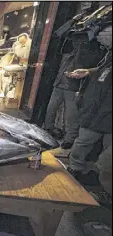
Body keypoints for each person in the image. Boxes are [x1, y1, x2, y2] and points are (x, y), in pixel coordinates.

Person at [66, 25, 112, 206]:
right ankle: (76, 169)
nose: (103, 40)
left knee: (105, 162)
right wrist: (89, 72)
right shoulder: (108, 56)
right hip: (96, 110)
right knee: (84, 141)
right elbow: (104, 72)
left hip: (105, 111)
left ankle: (106, 190)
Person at [44, 35, 106, 152]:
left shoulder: (88, 52)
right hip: (59, 84)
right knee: (51, 109)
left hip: (72, 87)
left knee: (71, 115)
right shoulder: (67, 50)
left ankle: (69, 138)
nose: (76, 41)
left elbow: (91, 66)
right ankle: (48, 129)